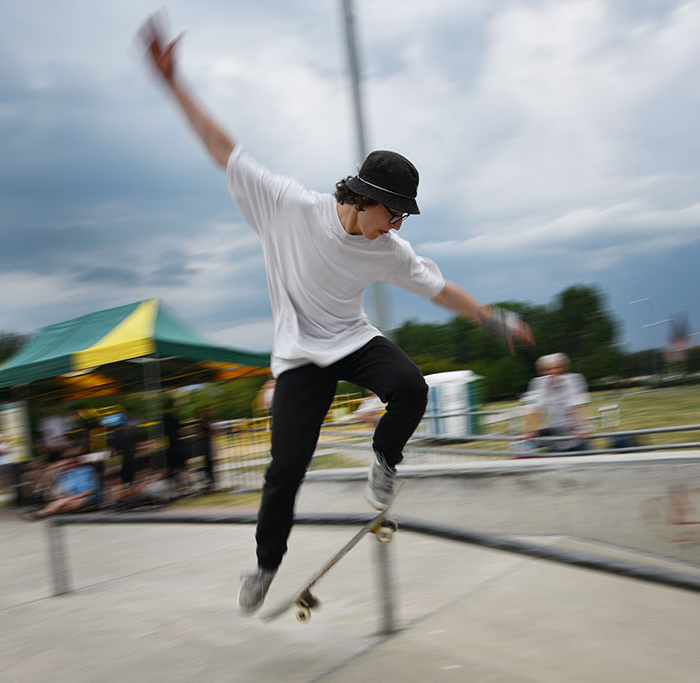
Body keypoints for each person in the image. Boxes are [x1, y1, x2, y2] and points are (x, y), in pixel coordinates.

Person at [138, 16, 534, 617]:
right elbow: (223, 148)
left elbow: (439, 289)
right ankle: (266, 565)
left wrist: (494, 319)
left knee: (410, 387)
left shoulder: (389, 250)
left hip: (351, 338)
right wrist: (174, 85)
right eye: (393, 213)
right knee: (285, 470)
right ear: (360, 198)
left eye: (403, 219)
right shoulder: (287, 206)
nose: (397, 227)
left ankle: (384, 460)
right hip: (298, 354)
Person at [522, 353, 591, 452]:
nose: (553, 371)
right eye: (548, 369)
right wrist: (529, 431)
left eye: (557, 367)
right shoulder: (538, 383)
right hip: (556, 434)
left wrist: (582, 428)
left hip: (577, 434)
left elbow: (577, 407)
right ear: (541, 371)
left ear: (565, 368)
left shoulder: (574, 380)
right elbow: (534, 410)